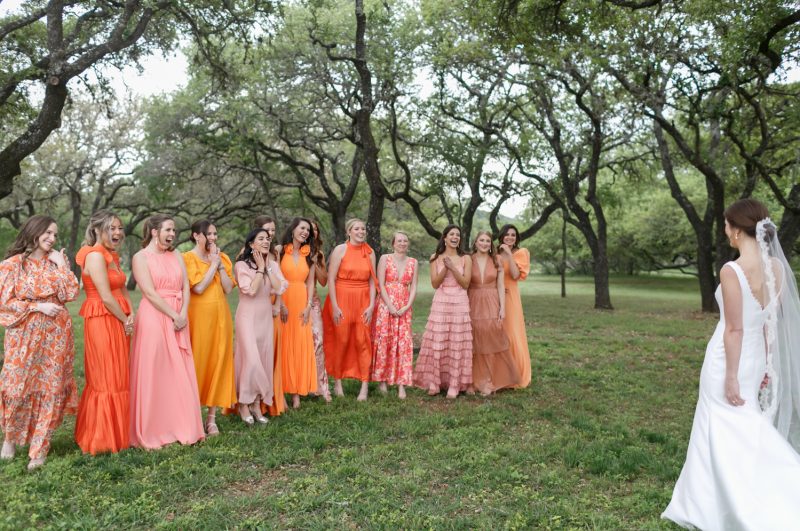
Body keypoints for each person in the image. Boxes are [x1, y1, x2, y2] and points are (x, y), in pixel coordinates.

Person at [662, 198, 800, 529]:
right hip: (757, 358)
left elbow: (734, 329)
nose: (725, 230)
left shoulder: (731, 270)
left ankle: (716, 503)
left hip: (728, 360)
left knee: (721, 424)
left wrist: (731, 377)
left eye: (726, 225)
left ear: (737, 230)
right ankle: (719, 496)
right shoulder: (777, 269)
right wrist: (768, 365)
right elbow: (770, 323)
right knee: (745, 423)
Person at [0, 216, 79, 470]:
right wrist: (37, 306)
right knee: (16, 385)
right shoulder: (13, 265)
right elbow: (4, 303)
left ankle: (39, 448)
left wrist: (62, 265)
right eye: (48, 233)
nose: (52, 239)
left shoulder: (56, 261)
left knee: (51, 386)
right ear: (34, 232)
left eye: (55, 234)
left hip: (56, 335)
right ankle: (10, 438)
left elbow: (71, 293)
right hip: (23, 335)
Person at [129, 214, 205, 449]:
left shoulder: (177, 255)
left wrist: (183, 313)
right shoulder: (140, 257)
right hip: (154, 316)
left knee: (179, 369)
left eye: (174, 230)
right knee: (155, 369)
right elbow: (150, 293)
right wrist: (174, 315)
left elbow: (185, 286)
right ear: (154, 232)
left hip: (179, 316)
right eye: (168, 230)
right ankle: (153, 429)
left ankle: (181, 425)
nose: (173, 234)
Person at [74, 210, 134, 455]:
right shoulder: (95, 256)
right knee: (107, 378)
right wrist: (125, 319)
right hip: (104, 320)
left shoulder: (111, 255)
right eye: (112, 228)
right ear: (97, 230)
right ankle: (103, 437)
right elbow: (106, 297)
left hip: (120, 319)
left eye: (120, 228)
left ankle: (122, 432)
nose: (118, 232)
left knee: (120, 376)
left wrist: (132, 313)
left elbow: (122, 288)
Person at [183, 220, 236, 436]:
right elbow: (198, 288)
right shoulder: (187, 258)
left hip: (221, 318)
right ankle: (193, 415)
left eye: (215, 234)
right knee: (199, 362)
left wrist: (219, 264)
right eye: (209, 234)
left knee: (219, 362)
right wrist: (213, 264)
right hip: (199, 319)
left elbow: (228, 289)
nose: (213, 238)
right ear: (197, 235)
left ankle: (211, 418)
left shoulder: (222, 258)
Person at [233, 228, 287, 424]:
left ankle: (256, 405)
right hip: (247, 316)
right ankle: (243, 404)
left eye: (268, 239)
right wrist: (260, 269)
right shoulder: (241, 265)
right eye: (261, 239)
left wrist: (267, 267)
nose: (266, 242)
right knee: (251, 360)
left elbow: (279, 288)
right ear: (251, 244)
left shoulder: (272, 265)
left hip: (265, 317)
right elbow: (251, 289)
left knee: (263, 359)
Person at [412, 225, 473, 399]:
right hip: (441, 302)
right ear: (445, 238)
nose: (455, 237)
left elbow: (465, 284)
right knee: (438, 341)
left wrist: (453, 267)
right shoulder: (435, 257)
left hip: (459, 302)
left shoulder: (466, 258)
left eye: (458, 235)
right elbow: (435, 283)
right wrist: (445, 267)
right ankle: (435, 382)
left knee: (456, 341)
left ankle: (454, 384)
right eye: (451, 234)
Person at [323, 219, 377, 401]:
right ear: (349, 232)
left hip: (363, 299)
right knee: (342, 340)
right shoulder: (340, 250)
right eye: (357, 229)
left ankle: (364, 385)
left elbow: (372, 281)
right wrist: (335, 306)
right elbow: (331, 279)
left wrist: (371, 305)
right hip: (342, 298)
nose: (361, 231)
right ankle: (337, 382)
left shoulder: (370, 252)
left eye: (363, 228)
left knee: (363, 341)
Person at [468, 231, 520, 395]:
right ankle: (473, 381)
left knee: (491, 337)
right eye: (481, 240)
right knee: (474, 339)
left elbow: (500, 285)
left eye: (487, 241)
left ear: (491, 244)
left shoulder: (497, 259)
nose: (484, 243)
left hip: (492, 300)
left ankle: (489, 380)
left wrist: (502, 308)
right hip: (473, 300)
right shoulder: (468, 259)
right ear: (475, 242)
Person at [371, 232, 418, 399]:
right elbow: (380, 284)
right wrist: (390, 306)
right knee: (385, 340)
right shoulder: (385, 258)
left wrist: (407, 306)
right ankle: (382, 380)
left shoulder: (413, 262)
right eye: (399, 241)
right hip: (386, 304)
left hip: (404, 305)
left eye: (405, 240)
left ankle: (401, 383)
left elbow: (413, 286)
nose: (402, 243)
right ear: (393, 243)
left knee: (403, 343)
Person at [278, 218, 318, 409]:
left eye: (308, 230)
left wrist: (309, 305)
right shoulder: (279, 251)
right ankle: (281, 391)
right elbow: (274, 277)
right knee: (283, 344)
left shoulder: (309, 254)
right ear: (293, 229)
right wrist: (280, 303)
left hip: (301, 301)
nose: (305, 232)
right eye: (302, 228)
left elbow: (310, 282)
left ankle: (296, 394)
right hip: (283, 300)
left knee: (299, 344)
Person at [252, 216, 287, 417]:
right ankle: (253, 399)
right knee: (256, 354)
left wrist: (278, 305)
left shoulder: (274, 253)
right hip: (256, 306)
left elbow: (280, 281)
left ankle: (273, 398)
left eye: (273, 230)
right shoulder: (246, 254)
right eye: (267, 230)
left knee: (272, 353)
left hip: (272, 304)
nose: (271, 234)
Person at [496, 224, 531, 388]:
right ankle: (499, 374)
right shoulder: (495, 253)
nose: (510, 237)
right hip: (494, 295)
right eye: (507, 234)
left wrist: (509, 254)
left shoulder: (521, 252)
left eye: (513, 235)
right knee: (497, 333)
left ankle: (515, 375)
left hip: (510, 297)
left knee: (511, 333)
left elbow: (516, 275)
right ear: (501, 236)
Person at [309, 220, 332, 402]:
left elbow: (324, 281)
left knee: (318, 343)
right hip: (294, 301)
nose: (312, 232)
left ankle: (321, 387)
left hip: (314, 303)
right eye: (309, 229)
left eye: (315, 229)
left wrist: (315, 263)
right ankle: (300, 385)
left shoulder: (319, 254)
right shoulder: (288, 251)